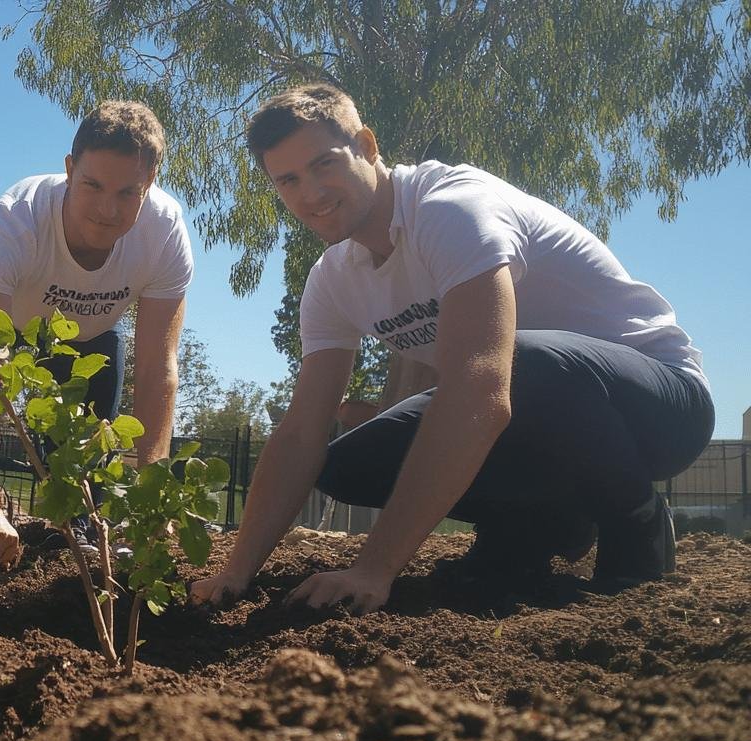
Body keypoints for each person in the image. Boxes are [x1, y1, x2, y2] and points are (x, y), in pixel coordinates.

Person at [191, 84, 713, 614]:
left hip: (660, 409)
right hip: (542, 423)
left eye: (324, 164)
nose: (311, 193)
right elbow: (303, 432)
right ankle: (532, 530)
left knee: (520, 361)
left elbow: (482, 389)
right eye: (288, 180)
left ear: (367, 147)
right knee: (350, 464)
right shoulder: (333, 281)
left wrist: (375, 566)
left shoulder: (450, 210)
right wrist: (236, 573)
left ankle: (636, 517)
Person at [0, 100, 194, 567]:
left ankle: (80, 533)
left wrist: (154, 492)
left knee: (86, 434)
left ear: (151, 185)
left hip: (81, 331)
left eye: (129, 192)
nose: (108, 210)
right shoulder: (14, 223)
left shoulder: (164, 233)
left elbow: (156, 369)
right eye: (92, 185)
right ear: (69, 169)